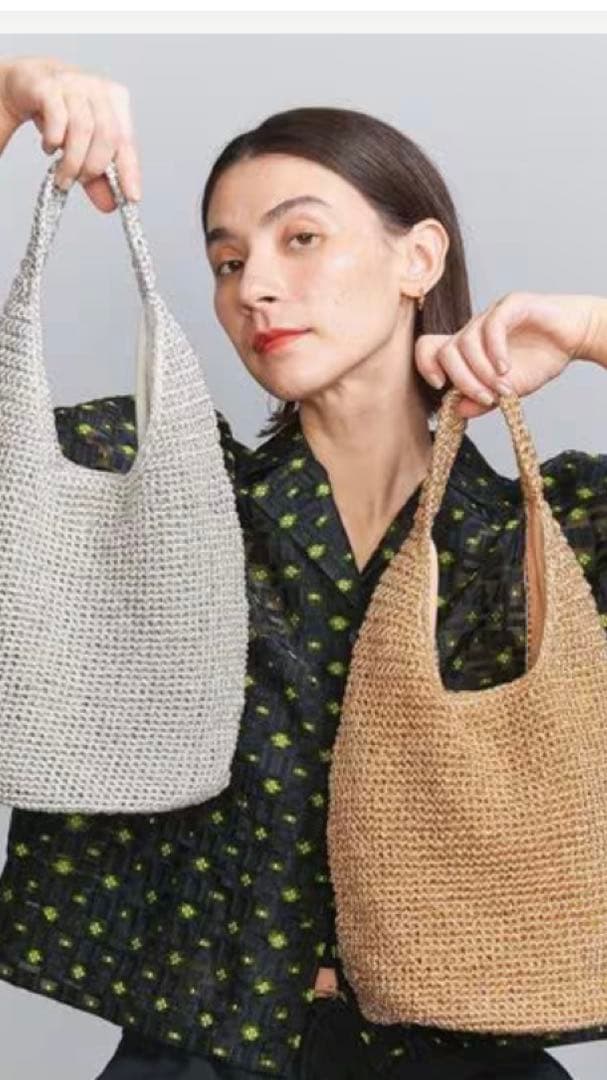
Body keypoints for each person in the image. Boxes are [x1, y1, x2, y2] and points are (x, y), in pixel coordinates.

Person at [0, 54, 602, 1080]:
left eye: (301, 238)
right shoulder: (157, 494)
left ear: (418, 258)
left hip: (470, 1057)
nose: (255, 287)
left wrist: (588, 329)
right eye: (227, 261)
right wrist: (9, 95)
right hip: (197, 1055)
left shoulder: (552, 538)